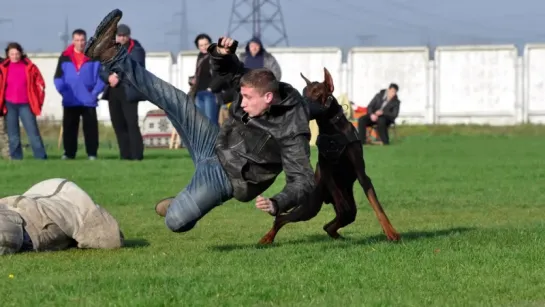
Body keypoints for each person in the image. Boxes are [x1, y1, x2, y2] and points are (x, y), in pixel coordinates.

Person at [84, 9, 315, 233]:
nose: (241, 103)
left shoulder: (292, 129)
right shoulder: (259, 82)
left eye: (247, 98)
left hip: (226, 177)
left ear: (268, 97)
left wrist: (278, 203)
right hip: (213, 143)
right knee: (173, 98)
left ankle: (181, 205)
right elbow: (229, 72)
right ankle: (111, 54)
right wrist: (222, 55)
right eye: (241, 96)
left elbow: (303, 180)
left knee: (174, 222)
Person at [0, 178, 124, 255]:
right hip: (29, 217)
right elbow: (113, 237)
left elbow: (112, 238)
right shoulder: (81, 208)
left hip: (23, 214)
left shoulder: (78, 206)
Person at [54, 29, 105, 160]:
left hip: (88, 99)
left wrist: (94, 93)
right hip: (70, 99)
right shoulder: (64, 57)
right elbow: (58, 78)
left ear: (86, 41)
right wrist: (64, 92)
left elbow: (102, 77)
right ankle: (69, 153)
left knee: (91, 129)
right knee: (69, 128)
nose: (80, 43)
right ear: (73, 41)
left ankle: (92, 154)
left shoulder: (94, 56)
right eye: (77, 40)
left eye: (82, 40)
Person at [100, 24, 146, 160]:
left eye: (124, 36)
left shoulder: (136, 49)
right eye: (119, 36)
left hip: (129, 91)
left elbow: (135, 67)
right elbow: (101, 69)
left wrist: (118, 76)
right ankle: (125, 155)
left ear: (128, 36)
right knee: (118, 123)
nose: (121, 38)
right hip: (113, 91)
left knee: (131, 123)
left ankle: (137, 155)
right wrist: (108, 77)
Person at [0, 42, 47, 160]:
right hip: (10, 104)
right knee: (13, 135)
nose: (15, 56)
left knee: (33, 133)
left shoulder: (29, 66)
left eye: (17, 53)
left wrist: (38, 100)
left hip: (26, 104)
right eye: (12, 54)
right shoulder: (3, 68)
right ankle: (16, 158)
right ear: (8, 55)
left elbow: (40, 84)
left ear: (21, 53)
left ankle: (40, 157)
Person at [188, 33, 220, 125]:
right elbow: (200, 74)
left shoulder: (215, 55)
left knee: (211, 122)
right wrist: (193, 80)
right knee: (202, 122)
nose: (204, 47)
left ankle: (215, 139)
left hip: (210, 93)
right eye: (201, 45)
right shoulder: (200, 57)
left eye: (206, 44)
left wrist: (211, 88)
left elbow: (221, 75)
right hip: (199, 92)